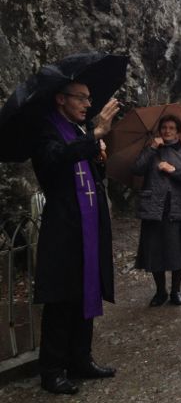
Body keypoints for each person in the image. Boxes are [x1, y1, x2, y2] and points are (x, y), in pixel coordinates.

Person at [31, 82, 120, 395]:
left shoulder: (80, 131)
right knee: (62, 297)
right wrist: (95, 135)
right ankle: (52, 369)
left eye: (88, 98)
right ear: (61, 99)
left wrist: (98, 160)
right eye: (81, 98)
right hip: (65, 226)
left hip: (89, 224)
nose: (87, 104)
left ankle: (80, 359)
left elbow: (93, 177)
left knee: (87, 290)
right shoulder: (46, 130)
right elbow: (54, 160)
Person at [132, 114, 181, 307]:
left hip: (177, 208)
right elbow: (137, 169)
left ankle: (176, 291)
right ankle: (160, 291)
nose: (167, 131)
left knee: (178, 251)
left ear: (178, 131)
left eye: (171, 128)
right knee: (154, 250)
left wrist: (172, 170)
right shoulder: (152, 150)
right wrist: (152, 149)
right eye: (164, 128)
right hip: (153, 208)